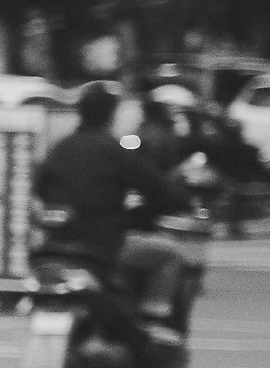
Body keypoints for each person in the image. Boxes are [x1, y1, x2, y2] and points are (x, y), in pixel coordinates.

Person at [34, 82, 193, 346]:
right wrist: (179, 200)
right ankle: (154, 322)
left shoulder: (61, 148)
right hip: (104, 246)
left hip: (56, 245)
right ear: (111, 115)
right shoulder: (114, 151)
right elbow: (156, 188)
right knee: (171, 254)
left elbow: (41, 187)